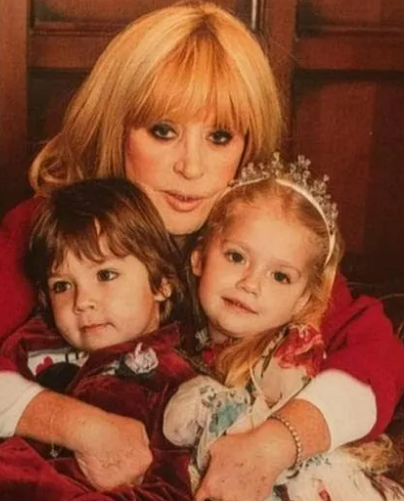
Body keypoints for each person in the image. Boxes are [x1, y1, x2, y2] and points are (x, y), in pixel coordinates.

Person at [0, 2, 402, 500]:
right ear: (115, 126)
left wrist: (273, 445)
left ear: (247, 146)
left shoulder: (260, 235)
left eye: (219, 136)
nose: (191, 167)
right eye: (163, 131)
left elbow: (373, 350)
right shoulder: (49, 222)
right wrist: (78, 425)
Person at [163, 154, 404, 501]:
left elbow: (377, 359)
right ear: (198, 257)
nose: (250, 284)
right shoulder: (177, 342)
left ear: (303, 298)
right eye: (236, 257)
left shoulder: (296, 349)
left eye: (279, 276)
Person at [0, 177, 197, 500]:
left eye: (105, 275)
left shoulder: (171, 380)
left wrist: (1, 469)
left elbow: (169, 491)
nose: (82, 301)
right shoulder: (30, 342)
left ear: (162, 283)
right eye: (62, 285)